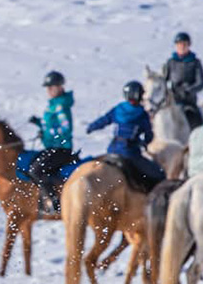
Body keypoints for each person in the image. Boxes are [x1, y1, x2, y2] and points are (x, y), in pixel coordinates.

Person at [86, 81, 165, 189]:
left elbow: (104, 120)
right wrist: (145, 143)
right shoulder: (142, 114)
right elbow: (148, 135)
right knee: (158, 174)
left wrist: (91, 127)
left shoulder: (118, 109)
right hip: (130, 153)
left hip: (112, 150)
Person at [26, 70, 78, 210]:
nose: (48, 90)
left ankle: (55, 202)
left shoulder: (60, 106)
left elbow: (66, 128)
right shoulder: (53, 104)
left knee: (36, 170)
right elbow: (50, 124)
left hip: (61, 148)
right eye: (47, 87)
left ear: (60, 86)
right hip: (52, 147)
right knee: (30, 164)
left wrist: (49, 132)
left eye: (52, 86)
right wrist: (38, 123)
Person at [162, 31, 203, 130]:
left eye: (184, 44)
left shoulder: (195, 63)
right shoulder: (171, 62)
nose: (181, 47)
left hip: (188, 100)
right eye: (179, 44)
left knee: (196, 121)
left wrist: (189, 90)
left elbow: (201, 83)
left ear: (188, 45)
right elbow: (164, 79)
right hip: (173, 98)